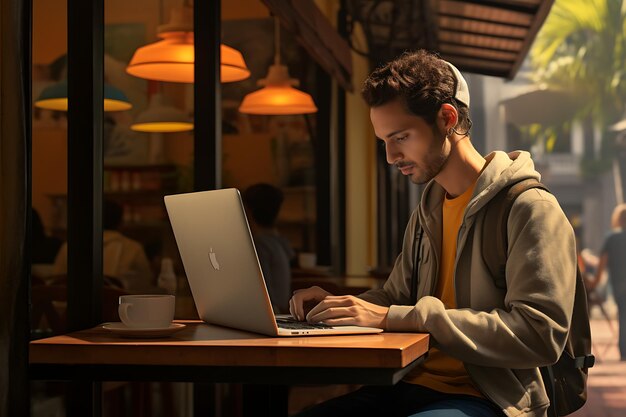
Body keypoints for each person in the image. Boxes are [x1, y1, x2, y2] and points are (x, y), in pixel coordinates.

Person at [289, 50, 576, 417]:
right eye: (384, 142)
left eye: (401, 137)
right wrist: (338, 305)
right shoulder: (429, 210)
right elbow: (395, 297)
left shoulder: (528, 207)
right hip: (405, 382)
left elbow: (540, 335)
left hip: (488, 397)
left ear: (447, 118)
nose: (391, 156)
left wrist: (399, 317)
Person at [53, 199, 153, 291]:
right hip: (121, 308)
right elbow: (145, 283)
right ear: (120, 221)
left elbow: (56, 281)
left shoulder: (69, 246)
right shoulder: (133, 248)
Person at [242, 183, 294, 313]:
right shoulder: (278, 242)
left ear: (248, 210)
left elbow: (267, 299)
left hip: (271, 313)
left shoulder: (260, 245)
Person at [588, 203, 626, 360]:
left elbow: (602, 265)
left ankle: (624, 350)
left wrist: (593, 284)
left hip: (620, 285)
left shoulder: (611, 238)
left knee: (623, 317)